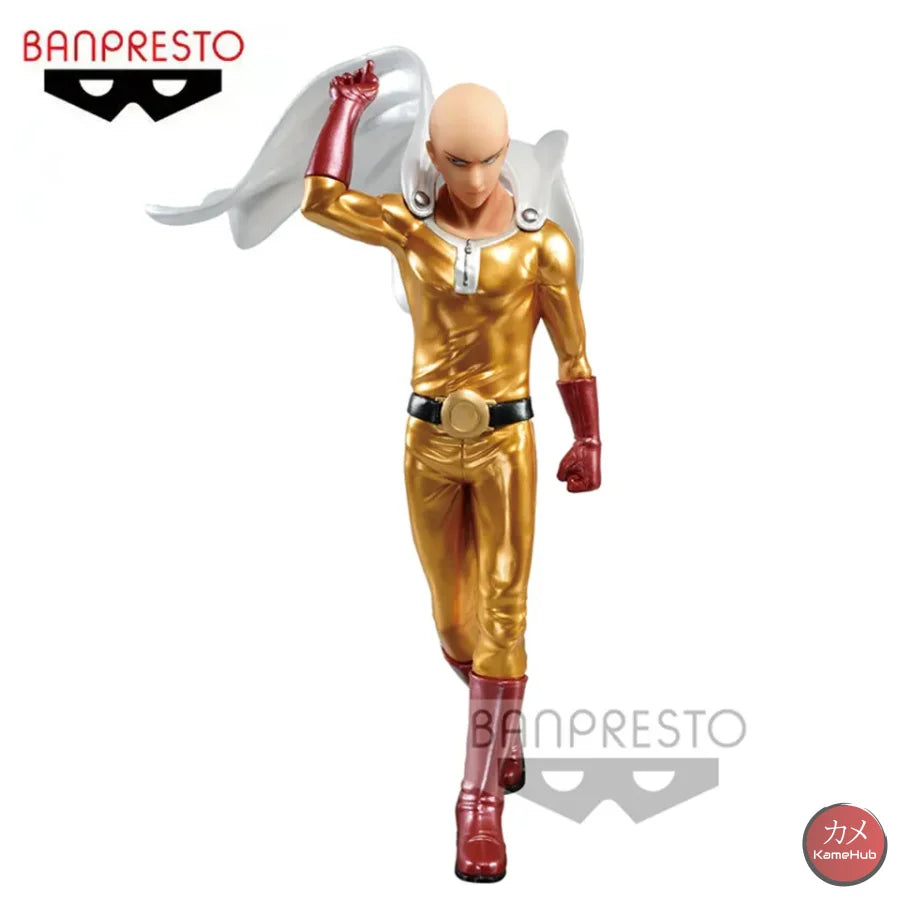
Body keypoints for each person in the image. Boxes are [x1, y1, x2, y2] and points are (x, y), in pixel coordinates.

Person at [300, 59, 601, 882]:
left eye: (490, 160)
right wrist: (346, 109)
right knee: (455, 625)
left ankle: (478, 804)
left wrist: (590, 438)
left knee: (506, 615)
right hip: (428, 441)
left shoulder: (541, 245)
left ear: (509, 152)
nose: (474, 179)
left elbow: (574, 354)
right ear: (432, 155)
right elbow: (320, 200)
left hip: (508, 444)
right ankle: (502, 726)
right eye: (459, 161)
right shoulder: (411, 228)